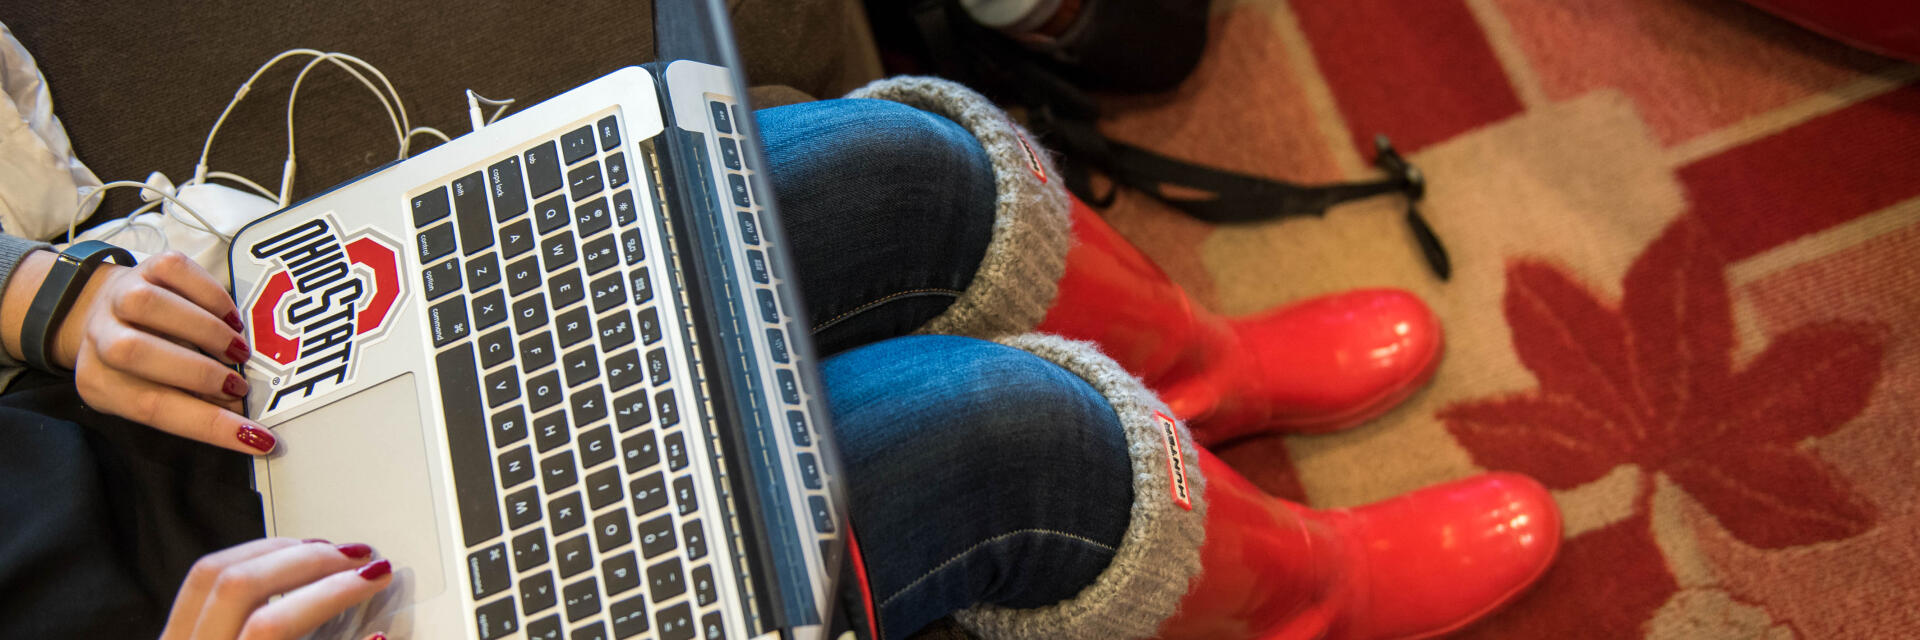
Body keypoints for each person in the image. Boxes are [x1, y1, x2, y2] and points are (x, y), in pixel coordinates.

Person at [0, 77, 1560, 640]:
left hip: (188, 420)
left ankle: (1207, 377)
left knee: (906, 169)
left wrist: (41, 297)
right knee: (997, 426)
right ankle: (1309, 599)